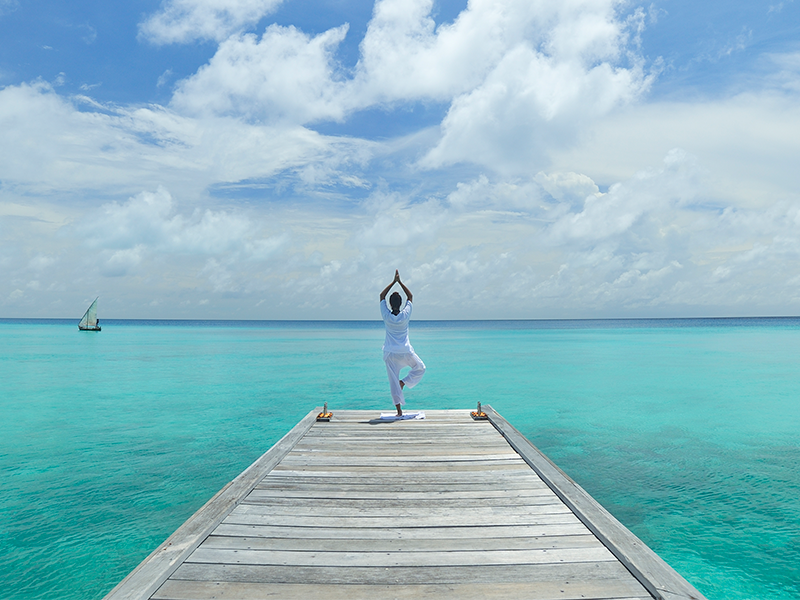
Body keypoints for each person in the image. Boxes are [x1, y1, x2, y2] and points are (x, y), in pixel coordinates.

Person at [379, 270, 426, 416]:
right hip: (405, 351)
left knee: (393, 382)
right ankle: (403, 382)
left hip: (390, 353)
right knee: (420, 368)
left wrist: (393, 282)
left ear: (390, 304)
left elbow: (381, 296)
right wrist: (400, 282)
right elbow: (410, 296)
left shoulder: (386, 315)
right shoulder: (405, 315)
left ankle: (399, 411)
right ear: (400, 304)